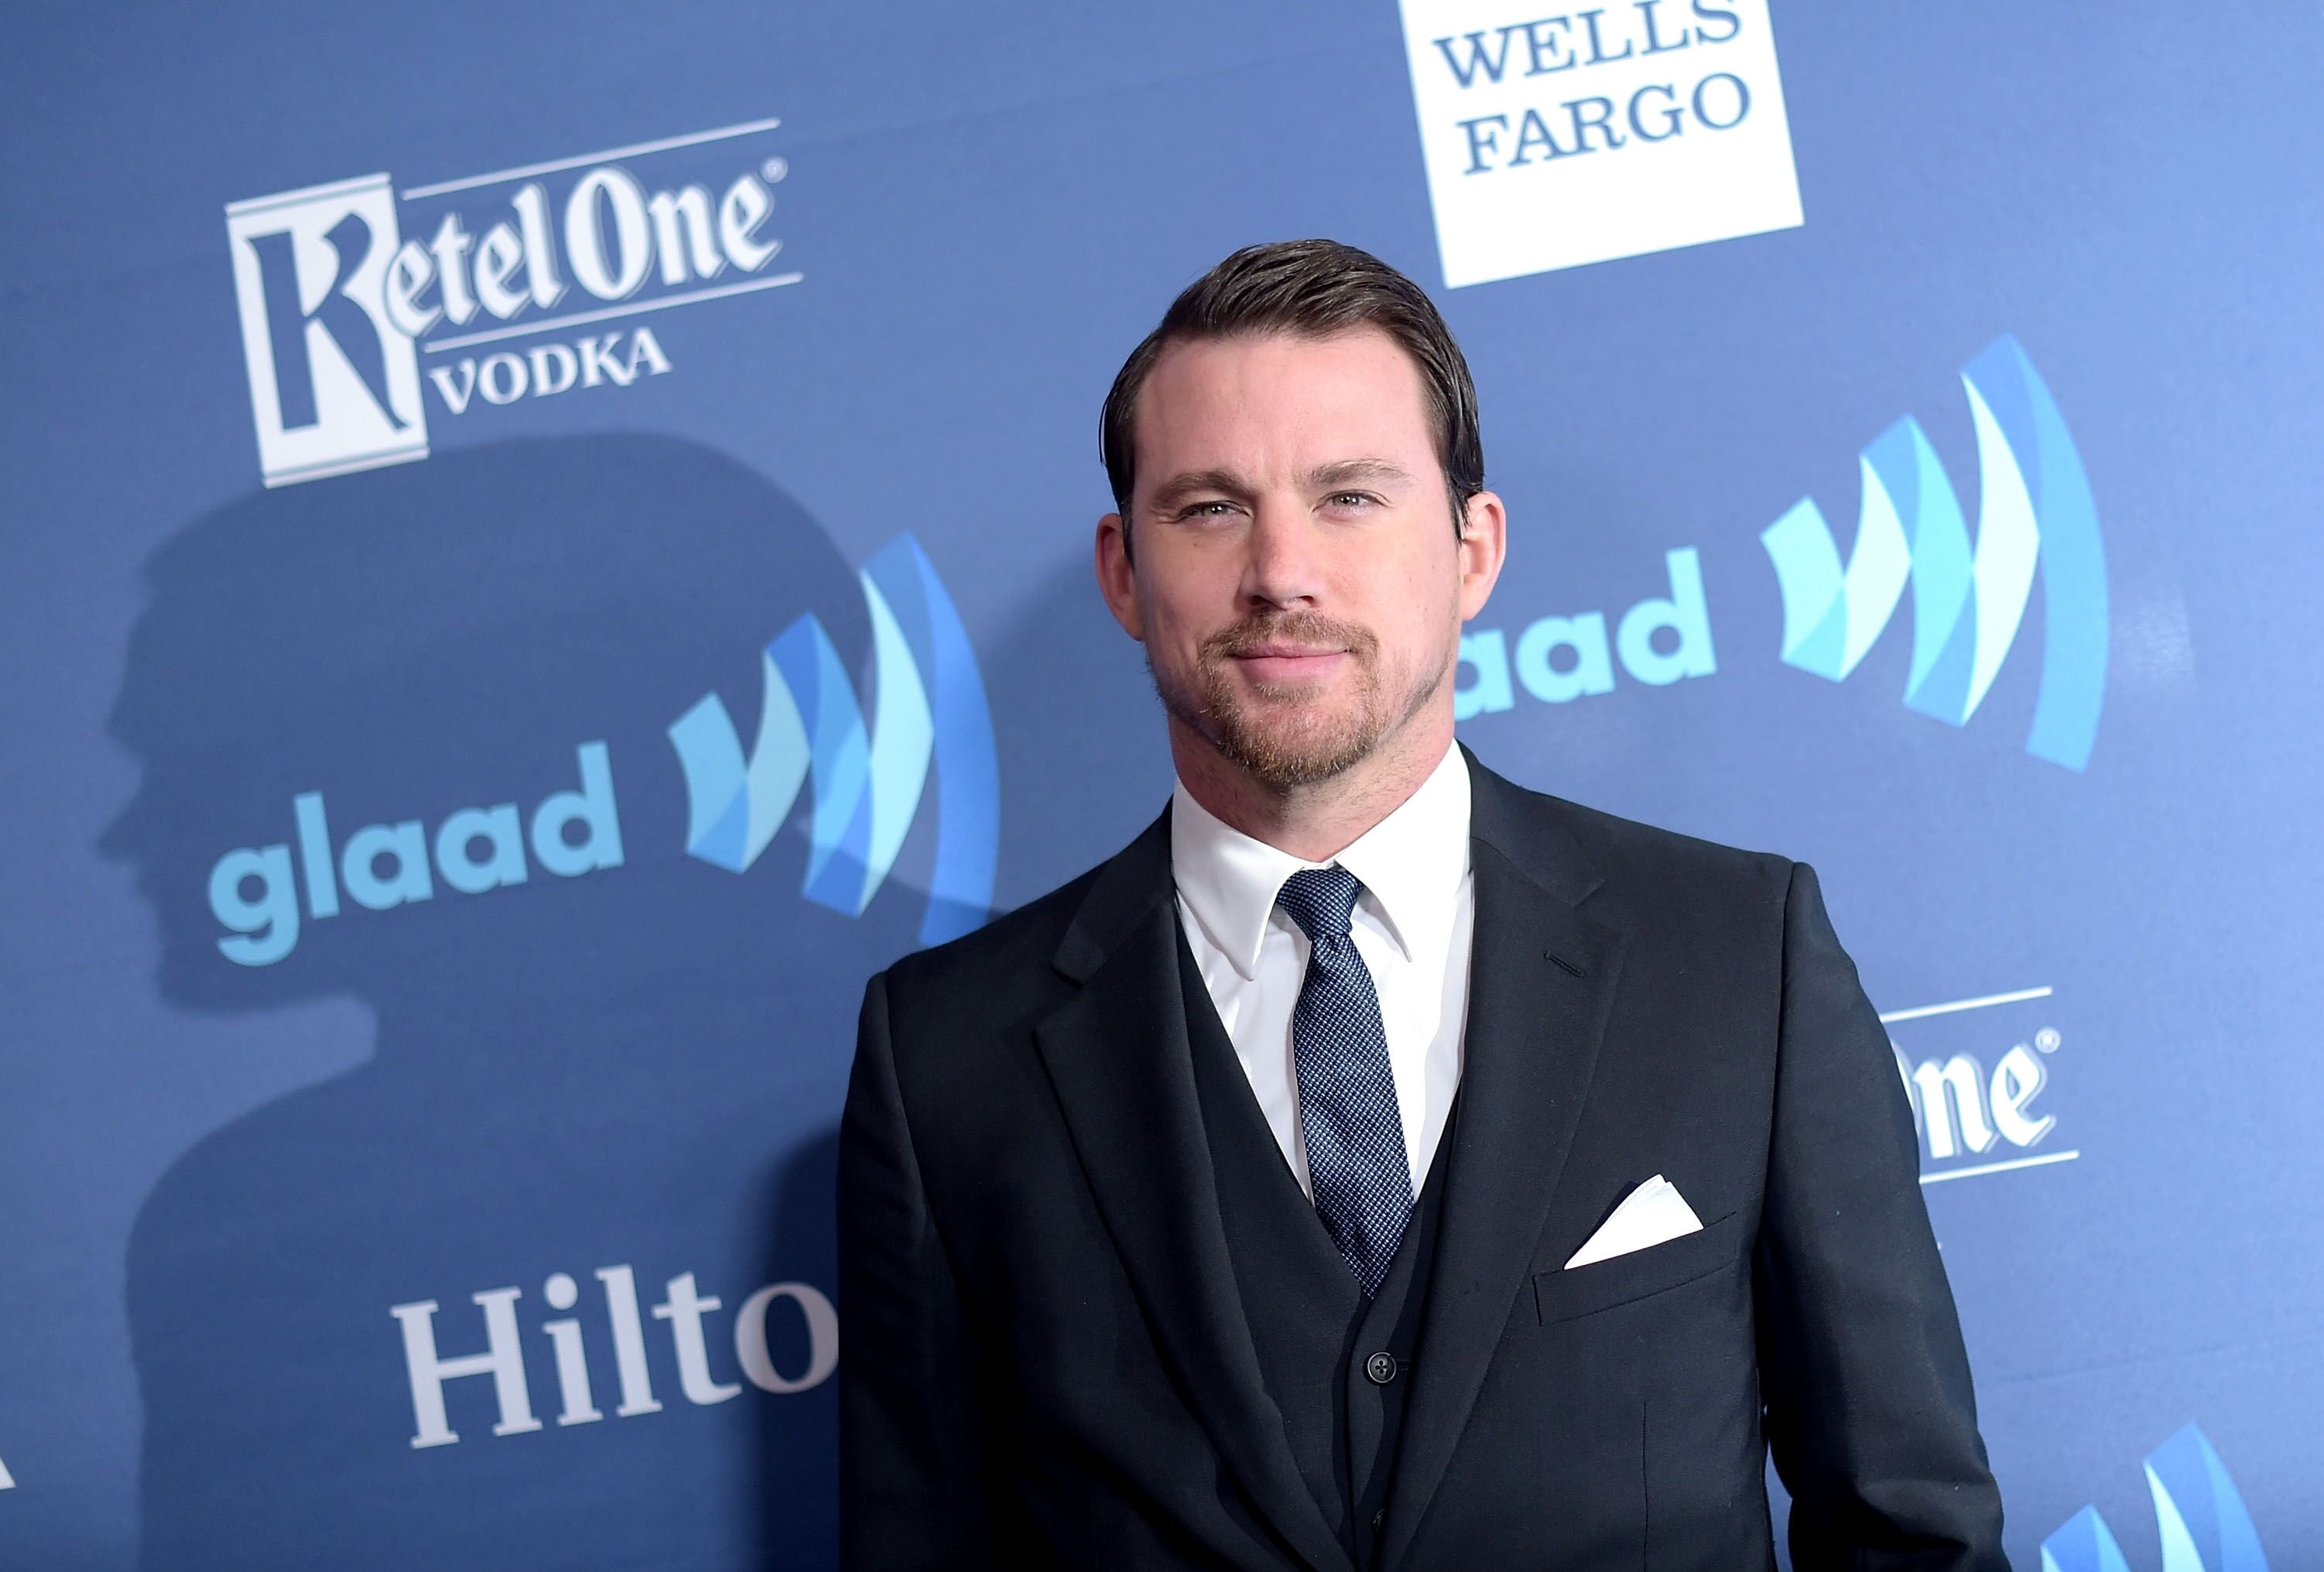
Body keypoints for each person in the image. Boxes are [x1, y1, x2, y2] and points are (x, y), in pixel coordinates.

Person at [837, 239, 2009, 1570]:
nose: (1283, 569)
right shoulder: (943, 1062)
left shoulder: (1743, 961)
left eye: (1349, 497)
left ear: (1473, 550)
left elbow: (1912, 1530)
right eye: (1212, 507)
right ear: (1123, 570)